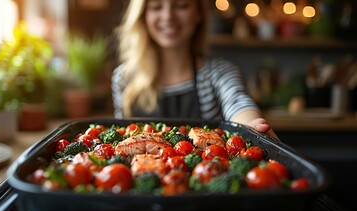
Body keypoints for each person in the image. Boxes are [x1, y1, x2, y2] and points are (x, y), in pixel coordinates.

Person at [111, 0, 275, 137]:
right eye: (156, 7)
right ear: (143, 15)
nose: (168, 17)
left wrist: (251, 125)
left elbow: (238, 103)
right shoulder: (123, 78)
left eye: (181, 5)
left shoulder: (219, 73)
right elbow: (122, 137)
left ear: (198, 14)